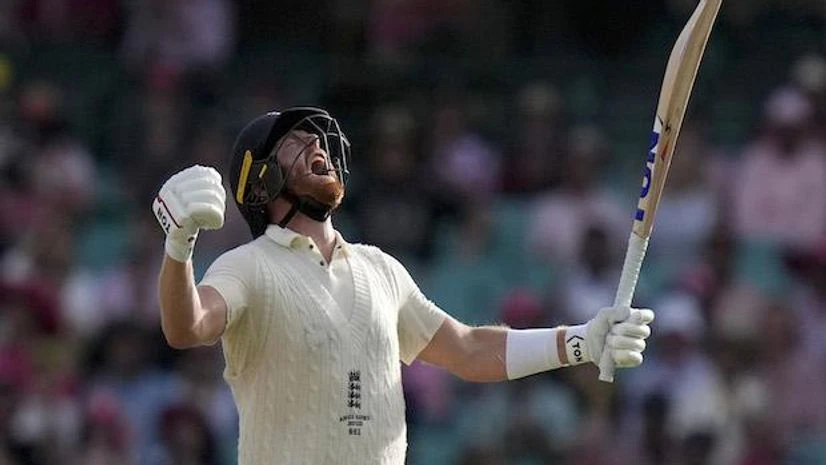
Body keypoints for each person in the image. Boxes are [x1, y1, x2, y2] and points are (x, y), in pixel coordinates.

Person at [152, 107, 655, 465]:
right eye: (295, 145)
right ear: (259, 182)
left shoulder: (380, 268)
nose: (318, 149)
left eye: (320, 141)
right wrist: (180, 244)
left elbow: (467, 350)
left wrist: (580, 341)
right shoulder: (249, 266)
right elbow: (187, 326)